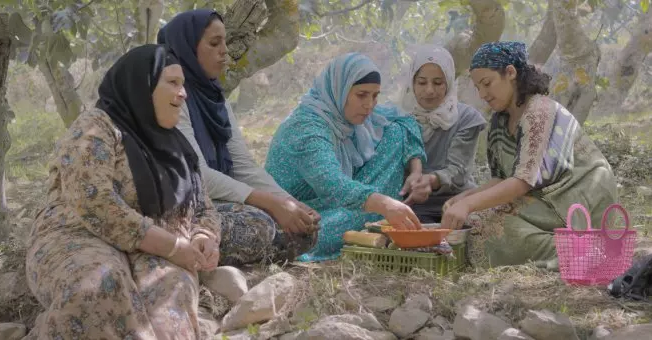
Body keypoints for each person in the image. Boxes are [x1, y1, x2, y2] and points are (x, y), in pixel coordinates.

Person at [24, 45, 218, 339]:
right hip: (77, 236)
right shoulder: (96, 127)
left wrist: (204, 236)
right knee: (101, 285)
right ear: (143, 85)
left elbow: (203, 207)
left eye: (184, 85)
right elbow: (95, 203)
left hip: (156, 249)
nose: (183, 93)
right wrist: (173, 247)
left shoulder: (179, 147)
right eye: (173, 83)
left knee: (169, 316)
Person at [158, 9, 319, 266]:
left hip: (214, 202)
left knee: (304, 231)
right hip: (178, 205)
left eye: (224, 41)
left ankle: (218, 257)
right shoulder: (172, 97)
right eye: (214, 43)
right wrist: (271, 203)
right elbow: (197, 176)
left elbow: (242, 164)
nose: (224, 51)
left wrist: (289, 202)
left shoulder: (215, 97)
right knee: (260, 224)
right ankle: (191, 253)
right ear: (187, 47)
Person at [441, 41, 617, 268]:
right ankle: (572, 250)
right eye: (478, 87)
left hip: (577, 198)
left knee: (481, 224)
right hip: (543, 198)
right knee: (476, 224)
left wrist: (469, 205)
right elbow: (501, 179)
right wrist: (465, 198)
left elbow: (522, 182)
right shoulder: (499, 120)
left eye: (487, 83)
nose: (483, 94)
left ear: (510, 73)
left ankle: (581, 252)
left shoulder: (539, 110)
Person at [264, 52, 426, 262]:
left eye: (375, 96)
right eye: (361, 95)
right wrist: (385, 204)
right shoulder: (306, 127)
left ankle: (369, 221)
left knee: (394, 132)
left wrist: (416, 170)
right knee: (310, 237)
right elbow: (331, 185)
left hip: (337, 205)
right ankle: (369, 221)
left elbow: (404, 121)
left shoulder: (348, 116)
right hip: (300, 216)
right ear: (339, 90)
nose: (369, 105)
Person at [397, 44, 487, 223]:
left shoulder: (466, 118)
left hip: (459, 204)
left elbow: (459, 172)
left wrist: (431, 180)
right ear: (412, 84)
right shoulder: (398, 120)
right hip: (411, 207)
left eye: (438, 83)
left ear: (450, 83)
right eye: (422, 82)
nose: (429, 90)